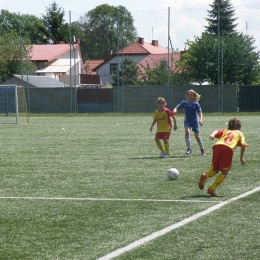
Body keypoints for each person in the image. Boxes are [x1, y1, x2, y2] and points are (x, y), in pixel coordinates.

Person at [198, 117, 248, 197]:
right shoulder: (240, 133)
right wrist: (241, 158)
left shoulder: (225, 131)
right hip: (228, 149)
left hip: (217, 147)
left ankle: (205, 175)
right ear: (239, 126)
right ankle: (212, 189)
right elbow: (243, 144)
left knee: (215, 169)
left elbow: (217, 131)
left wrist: (212, 135)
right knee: (225, 172)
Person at [173, 89, 206, 155]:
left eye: (192, 95)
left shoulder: (196, 104)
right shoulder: (184, 102)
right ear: (187, 96)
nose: (190, 96)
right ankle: (189, 148)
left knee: (197, 136)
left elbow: (200, 113)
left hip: (194, 121)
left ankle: (202, 149)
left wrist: (201, 120)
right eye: (189, 95)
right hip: (187, 120)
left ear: (194, 96)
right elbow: (177, 107)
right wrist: (175, 110)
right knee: (187, 132)